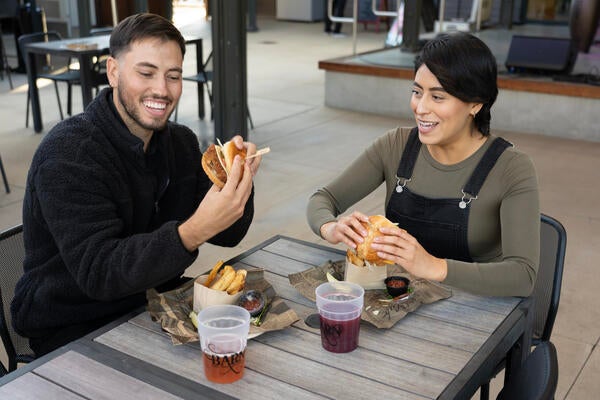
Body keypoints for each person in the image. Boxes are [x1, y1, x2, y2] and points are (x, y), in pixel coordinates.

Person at [11, 13, 262, 357]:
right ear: (113, 72)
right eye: (145, 73)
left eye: (173, 76)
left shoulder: (180, 142)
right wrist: (190, 232)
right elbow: (100, 272)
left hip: (158, 308)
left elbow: (228, 233)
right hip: (74, 328)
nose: (161, 89)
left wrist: (237, 179)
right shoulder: (68, 154)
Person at [307, 32, 540, 297]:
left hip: (477, 311)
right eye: (417, 92)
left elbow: (523, 276)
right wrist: (331, 228)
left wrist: (433, 266)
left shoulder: (511, 168)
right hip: (400, 302)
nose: (420, 108)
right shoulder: (395, 145)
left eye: (438, 97)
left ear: (475, 103)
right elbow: (322, 199)